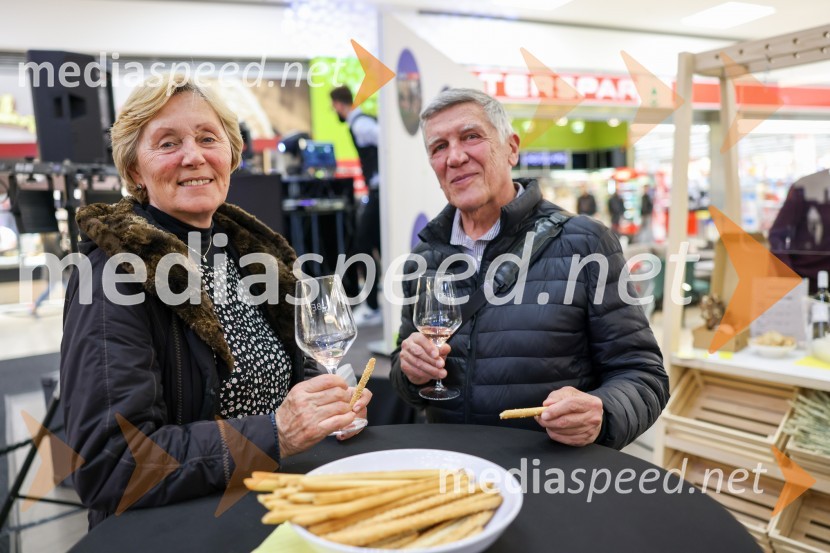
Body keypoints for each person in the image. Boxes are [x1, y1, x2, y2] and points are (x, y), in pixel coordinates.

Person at [60, 74, 371, 528]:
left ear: (231, 154)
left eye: (209, 138)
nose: (194, 156)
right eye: (167, 144)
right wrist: (276, 433)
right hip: (182, 530)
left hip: (273, 510)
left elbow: (292, 388)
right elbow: (110, 464)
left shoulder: (247, 258)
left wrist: (326, 409)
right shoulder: (114, 272)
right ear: (133, 172)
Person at [390, 88, 668, 450]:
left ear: (511, 148)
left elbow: (644, 374)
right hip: (453, 475)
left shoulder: (586, 243)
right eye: (438, 147)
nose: (454, 157)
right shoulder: (424, 257)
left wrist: (603, 413)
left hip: (550, 479)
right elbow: (407, 376)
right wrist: (410, 372)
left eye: (470, 137)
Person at [330, 85, 381, 326]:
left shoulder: (361, 125)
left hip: (379, 192)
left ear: (339, 105)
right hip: (378, 192)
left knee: (362, 245)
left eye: (334, 107)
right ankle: (375, 305)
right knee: (374, 246)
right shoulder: (360, 123)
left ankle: (372, 306)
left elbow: (389, 145)